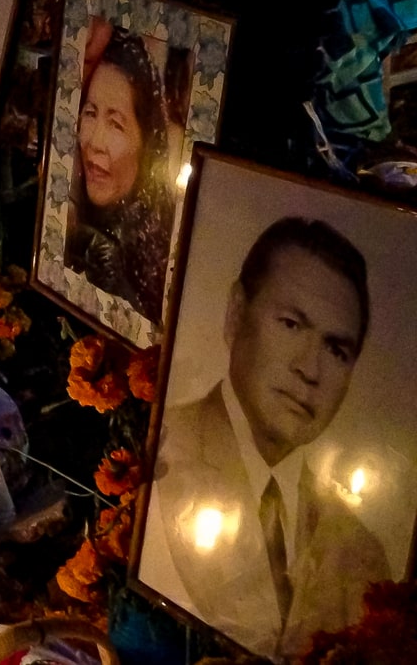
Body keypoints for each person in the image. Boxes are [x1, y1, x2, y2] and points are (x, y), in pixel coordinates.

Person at [144, 217, 390, 661]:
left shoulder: (363, 555)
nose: (309, 370)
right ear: (236, 314)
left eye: (336, 350)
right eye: (292, 324)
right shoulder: (155, 451)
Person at [64, 27, 173, 320]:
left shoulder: (153, 265)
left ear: (146, 143)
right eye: (90, 113)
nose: (95, 142)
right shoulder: (67, 216)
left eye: (116, 124)